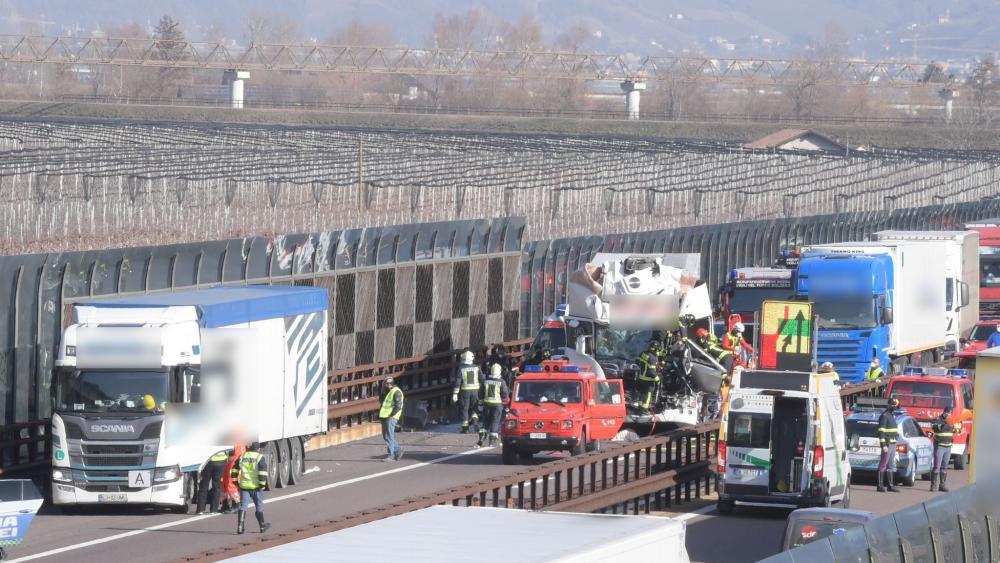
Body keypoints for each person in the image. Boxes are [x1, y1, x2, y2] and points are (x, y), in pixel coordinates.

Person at [232, 442, 270, 534]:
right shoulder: (259, 457)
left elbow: (234, 470)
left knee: (243, 506)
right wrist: (262, 484)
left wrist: (235, 482)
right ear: (258, 449)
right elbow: (263, 473)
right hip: (256, 487)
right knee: (259, 506)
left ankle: (240, 527)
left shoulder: (242, 456)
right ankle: (262, 526)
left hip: (244, 486)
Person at [478, 364, 510, 447]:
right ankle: (491, 440)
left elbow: (481, 393)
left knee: (485, 421)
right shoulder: (501, 382)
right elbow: (505, 395)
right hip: (497, 405)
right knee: (495, 421)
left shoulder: (485, 381)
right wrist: (506, 407)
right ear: (499, 371)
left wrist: (480, 404)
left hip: (486, 404)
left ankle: (481, 438)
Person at [930, 406, 961, 492]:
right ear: (944, 412)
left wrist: (958, 428)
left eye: (950, 413)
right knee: (937, 466)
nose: (949, 414)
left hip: (948, 446)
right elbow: (935, 427)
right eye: (948, 413)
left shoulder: (952, 421)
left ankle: (942, 485)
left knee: (944, 466)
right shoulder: (937, 419)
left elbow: (957, 431)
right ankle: (933, 485)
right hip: (939, 446)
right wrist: (947, 423)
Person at [453, 350, 483, 434]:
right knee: (475, 407)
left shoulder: (461, 368)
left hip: (465, 391)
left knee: (464, 409)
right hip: (476, 391)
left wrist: (455, 393)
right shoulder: (477, 367)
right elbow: (482, 379)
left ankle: (465, 428)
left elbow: (458, 381)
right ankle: (475, 421)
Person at [195, 448, 231, 514]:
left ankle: (200, 509)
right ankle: (214, 509)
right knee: (217, 487)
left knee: (203, 486)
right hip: (221, 461)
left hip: (207, 461)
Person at [877, 397, 901, 493]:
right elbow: (881, 432)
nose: (895, 407)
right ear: (889, 405)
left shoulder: (891, 415)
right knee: (883, 464)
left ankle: (891, 485)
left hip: (893, 443)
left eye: (895, 406)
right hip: (887, 444)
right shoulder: (885, 416)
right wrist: (884, 445)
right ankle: (880, 485)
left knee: (891, 465)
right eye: (893, 405)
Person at [378, 376, 404, 461]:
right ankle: (398, 450)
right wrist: (382, 392)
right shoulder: (388, 392)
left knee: (389, 436)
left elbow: (398, 406)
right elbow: (382, 402)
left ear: (390, 383)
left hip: (391, 417)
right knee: (386, 436)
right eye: (385, 384)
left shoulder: (397, 392)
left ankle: (391, 455)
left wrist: (391, 415)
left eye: (387, 384)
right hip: (384, 416)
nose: (386, 385)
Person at [219, 443, 246, 513]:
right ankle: (225, 504)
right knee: (223, 481)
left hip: (234, 459)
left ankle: (236, 504)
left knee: (230, 482)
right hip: (230, 459)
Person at [636, 341, 662, 411]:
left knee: (642, 394)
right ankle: (644, 410)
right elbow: (651, 371)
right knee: (647, 395)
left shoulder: (643, 353)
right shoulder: (652, 357)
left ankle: (640, 408)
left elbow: (637, 361)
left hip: (641, 377)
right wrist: (657, 379)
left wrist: (644, 368)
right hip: (648, 380)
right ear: (656, 349)